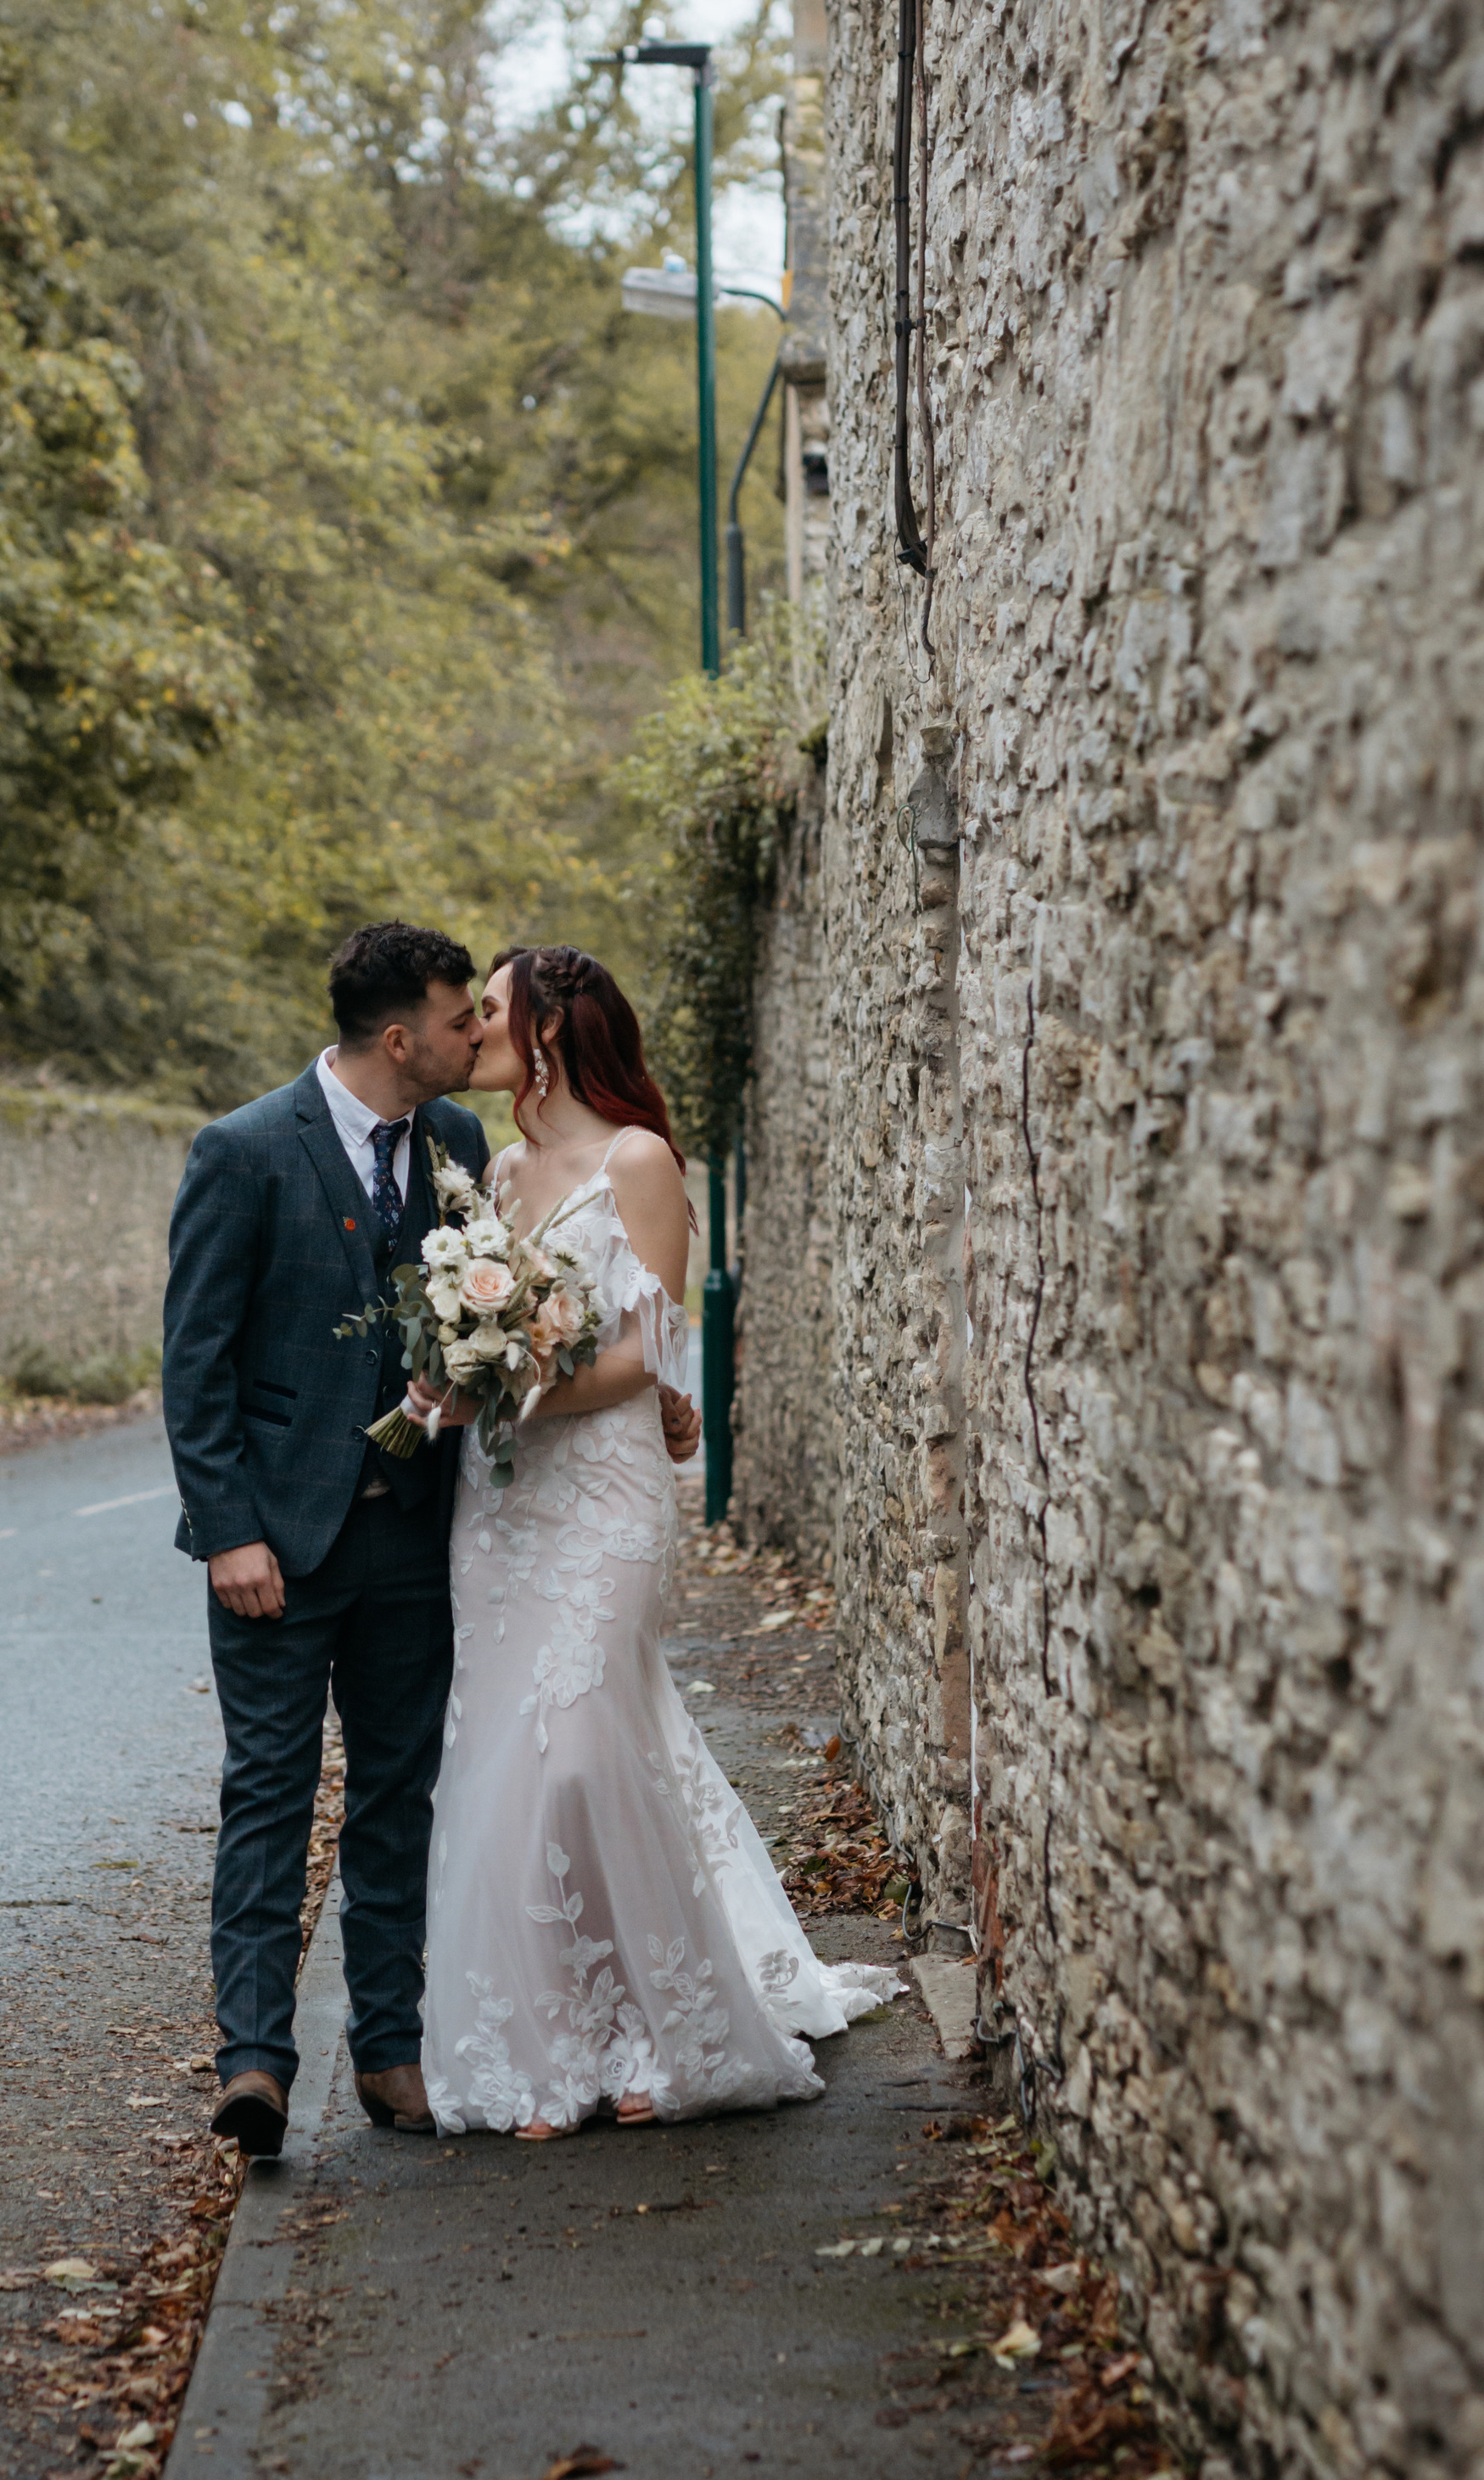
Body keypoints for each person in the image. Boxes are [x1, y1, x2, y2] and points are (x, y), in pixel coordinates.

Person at [161, 923, 699, 2159]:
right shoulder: (242, 1152)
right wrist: (229, 1534)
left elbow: (575, 1321)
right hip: (278, 1549)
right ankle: (254, 2064)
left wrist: (622, 1390)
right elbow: (194, 1368)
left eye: (488, 1017)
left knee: (403, 1797)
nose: (478, 1035)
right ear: (401, 1037)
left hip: (427, 1537)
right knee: (269, 1795)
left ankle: (394, 2054)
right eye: (464, 1020)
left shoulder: (465, 1147)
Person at [411, 945, 896, 2137]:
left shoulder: (641, 1161)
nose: (474, 1028)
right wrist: (455, 1376)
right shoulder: (492, 1171)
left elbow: (655, 1353)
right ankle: (550, 2042)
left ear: (554, 1031)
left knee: (578, 1746)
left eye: (496, 1010)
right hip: (506, 1505)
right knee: (505, 1764)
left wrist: (506, 1384)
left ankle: (656, 2029)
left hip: (610, 1496)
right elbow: (460, 1317)